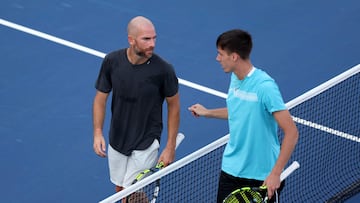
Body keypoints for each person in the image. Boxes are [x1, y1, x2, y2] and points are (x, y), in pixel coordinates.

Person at [188, 29, 298, 203]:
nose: (217, 58)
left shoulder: (265, 87)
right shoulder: (235, 78)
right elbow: (240, 111)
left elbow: (291, 132)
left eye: (220, 54)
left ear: (234, 57)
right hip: (231, 170)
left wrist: (276, 173)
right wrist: (208, 112)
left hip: (262, 175)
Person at [92, 16, 180, 196]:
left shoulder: (164, 70)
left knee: (129, 193)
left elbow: (174, 106)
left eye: (154, 38)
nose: (152, 44)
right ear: (131, 40)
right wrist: (98, 132)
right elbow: (100, 99)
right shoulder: (112, 61)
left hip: (146, 142)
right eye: (146, 39)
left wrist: (170, 146)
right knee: (119, 189)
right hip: (117, 139)